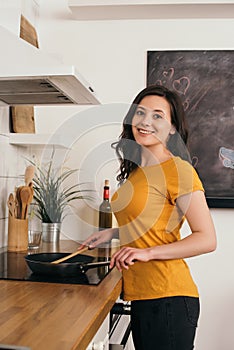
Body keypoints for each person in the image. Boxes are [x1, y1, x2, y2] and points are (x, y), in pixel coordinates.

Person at [80, 85, 217, 350]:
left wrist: (148, 253)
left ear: (173, 128)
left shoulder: (178, 170)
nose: (145, 121)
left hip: (169, 297)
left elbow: (207, 239)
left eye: (157, 116)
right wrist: (114, 233)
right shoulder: (138, 171)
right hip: (143, 295)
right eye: (140, 113)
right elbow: (152, 226)